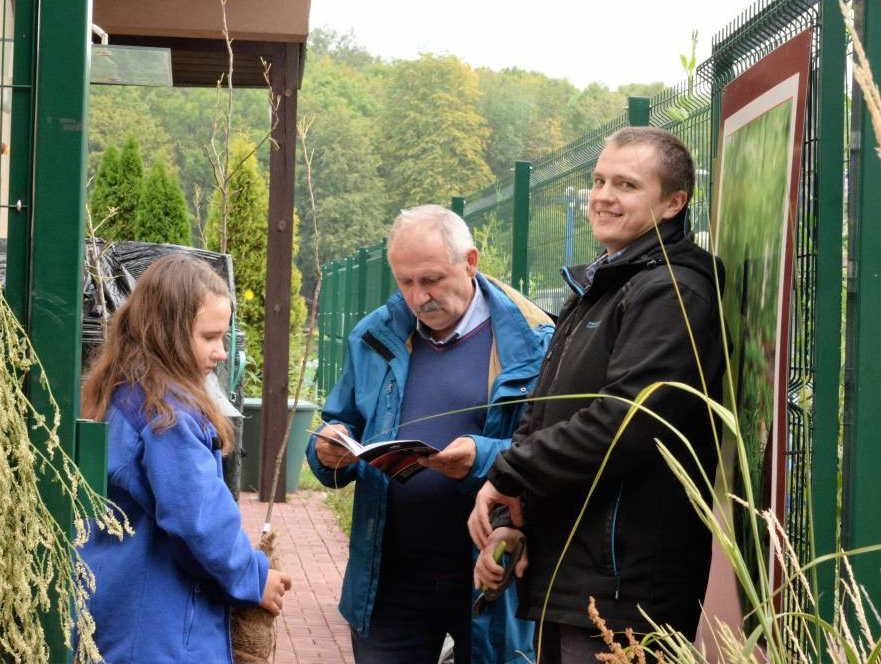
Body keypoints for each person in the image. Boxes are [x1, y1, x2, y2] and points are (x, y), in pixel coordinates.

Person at [468, 128, 727, 661]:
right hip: (567, 575)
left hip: (623, 591)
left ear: (674, 201)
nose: (603, 196)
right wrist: (509, 509)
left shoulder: (673, 292)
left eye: (627, 184)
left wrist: (507, 473)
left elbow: (625, 423)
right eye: (599, 180)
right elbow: (538, 418)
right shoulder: (601, 289)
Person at [307, 205, 553, 664]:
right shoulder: (374, 337)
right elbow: (340, 423)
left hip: (490, 579)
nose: (419, 297)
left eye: (432, 279)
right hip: (390, 581)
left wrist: (480, 456)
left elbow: (548, 450)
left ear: (471, 262)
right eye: (406, 282)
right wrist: (327, 449)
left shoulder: (533, 340)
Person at [79, 254, 292, 663]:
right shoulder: (167, 416)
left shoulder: (123, 391)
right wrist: (254, 577)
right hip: (162, 629)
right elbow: (200, 521)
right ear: (168, 334)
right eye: (210, 337)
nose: (222, 351)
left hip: (117, 605)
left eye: (224, 337)